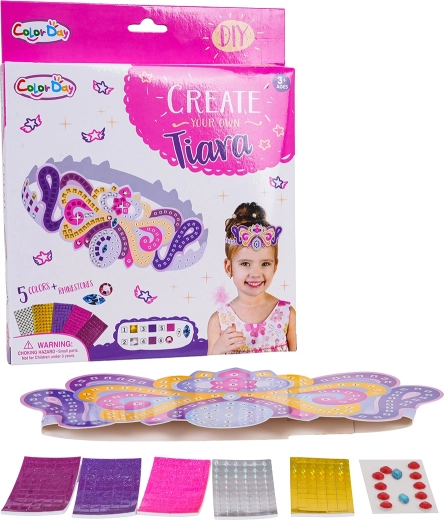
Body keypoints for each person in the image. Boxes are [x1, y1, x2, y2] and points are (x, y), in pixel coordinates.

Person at [207, 202, 296, 354]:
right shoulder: (219, 321)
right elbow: (209, 367)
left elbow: (299, 361)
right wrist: (218, 349)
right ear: (229, 267)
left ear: (275, 266)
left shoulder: (287, 315)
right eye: (245, 263)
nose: (256, 273)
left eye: (265, 263)